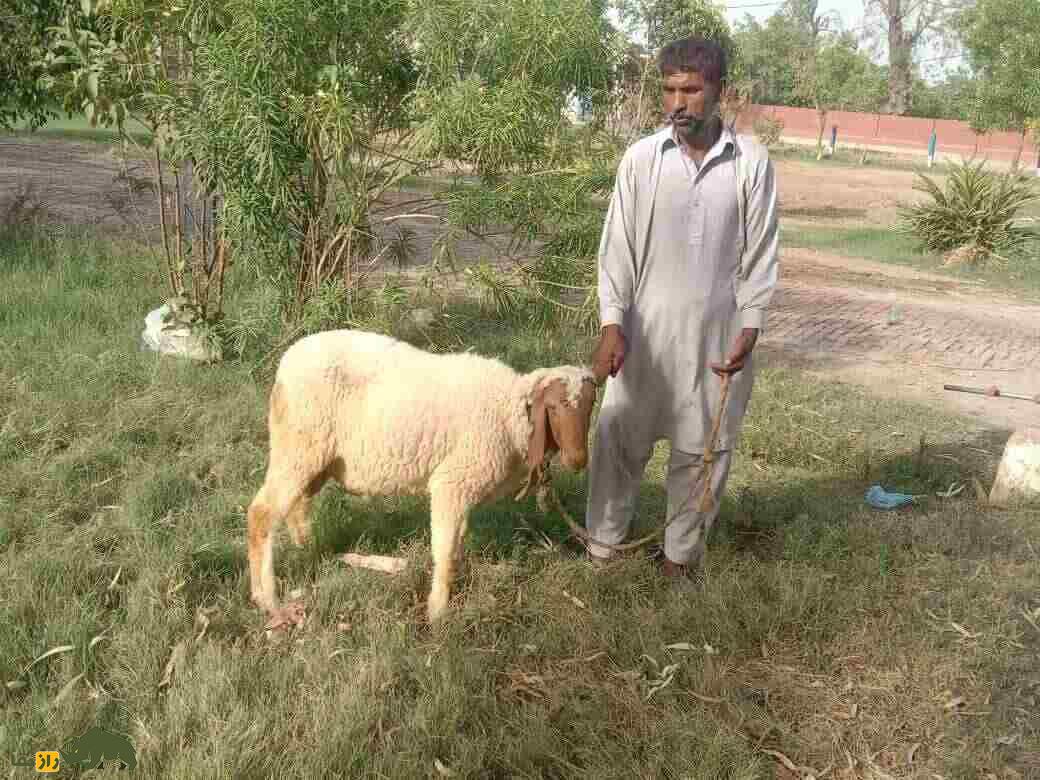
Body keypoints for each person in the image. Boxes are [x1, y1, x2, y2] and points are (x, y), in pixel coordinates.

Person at [585, 35, 780, 577]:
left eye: (691, 90)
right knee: (618, 441)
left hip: (716, 340)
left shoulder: (751, 163)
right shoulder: (643, 159)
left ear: (720, 91)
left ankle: (679, 559)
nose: (678, 102)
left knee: (703, 454)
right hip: (644, 333)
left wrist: (752, 325)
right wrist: (612, 324)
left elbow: (760, 255)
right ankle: (602, 549)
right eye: (669, 89)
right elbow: (617, 249)